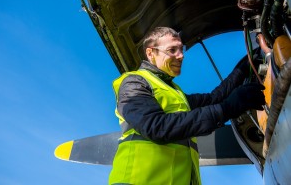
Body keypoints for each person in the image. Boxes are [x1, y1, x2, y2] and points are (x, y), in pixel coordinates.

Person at [109, 27, 265, 185]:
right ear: (150, 53)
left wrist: (244, 67)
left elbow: (215, 98)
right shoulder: (133, 83)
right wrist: (227, 109)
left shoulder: (177, 95)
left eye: (181, 49)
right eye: (172, 50)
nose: (181, 55)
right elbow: (155, 127)